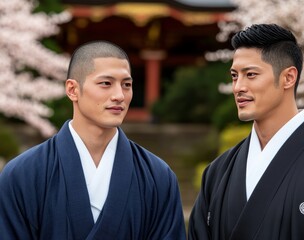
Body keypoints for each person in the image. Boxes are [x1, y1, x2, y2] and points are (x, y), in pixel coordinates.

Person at [188, 23, 304, 240]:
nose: (238, 87)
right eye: (234, 76)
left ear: (288, 77)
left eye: (250, 75)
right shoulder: (218, 171)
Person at [0, 40, 186, 239]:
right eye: (106, 83)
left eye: (127, 85)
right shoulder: (24, 173)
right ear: (72, 90)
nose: (119, 95)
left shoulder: (157, 176)